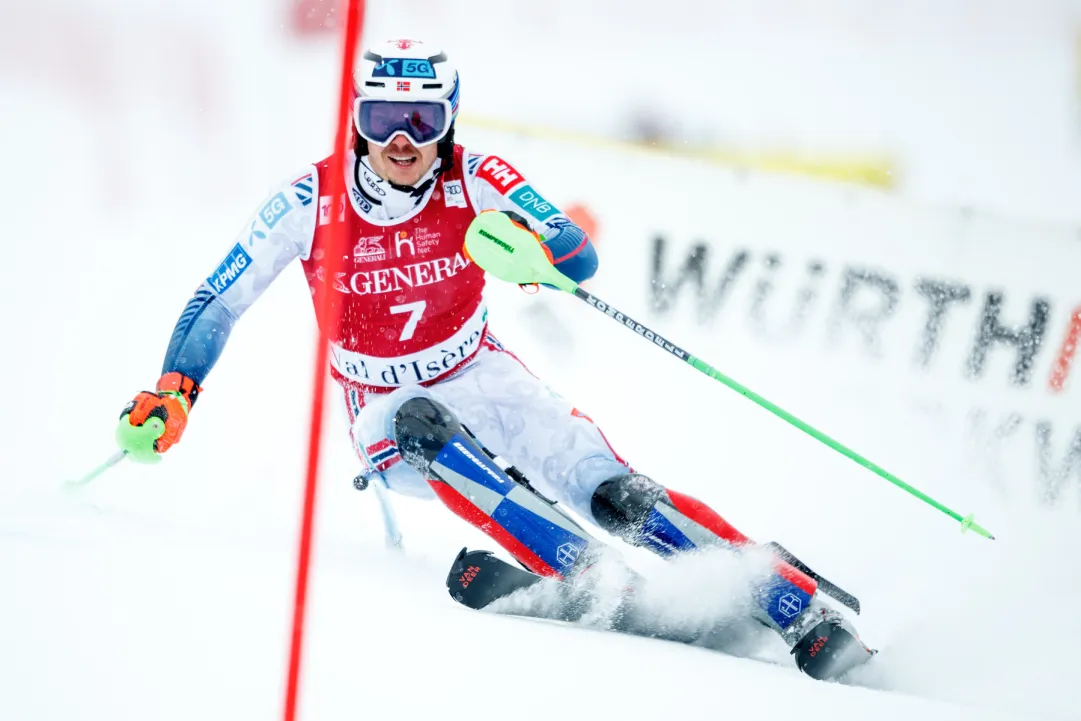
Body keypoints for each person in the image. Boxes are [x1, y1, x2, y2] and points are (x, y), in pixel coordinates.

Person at [116, 39, 873, 679]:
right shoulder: (308, 201)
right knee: (421, 424)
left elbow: (578, 259)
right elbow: (218, 298)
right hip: (380, 406)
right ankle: (591, 578)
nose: (401, 138)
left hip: (480, 370)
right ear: (358, 120)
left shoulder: (477, 177)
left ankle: (787, 602)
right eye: (383, 118)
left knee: (611, 491)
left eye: (422, 118)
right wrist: (175, 391)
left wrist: (538, 252)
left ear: (446, 120)